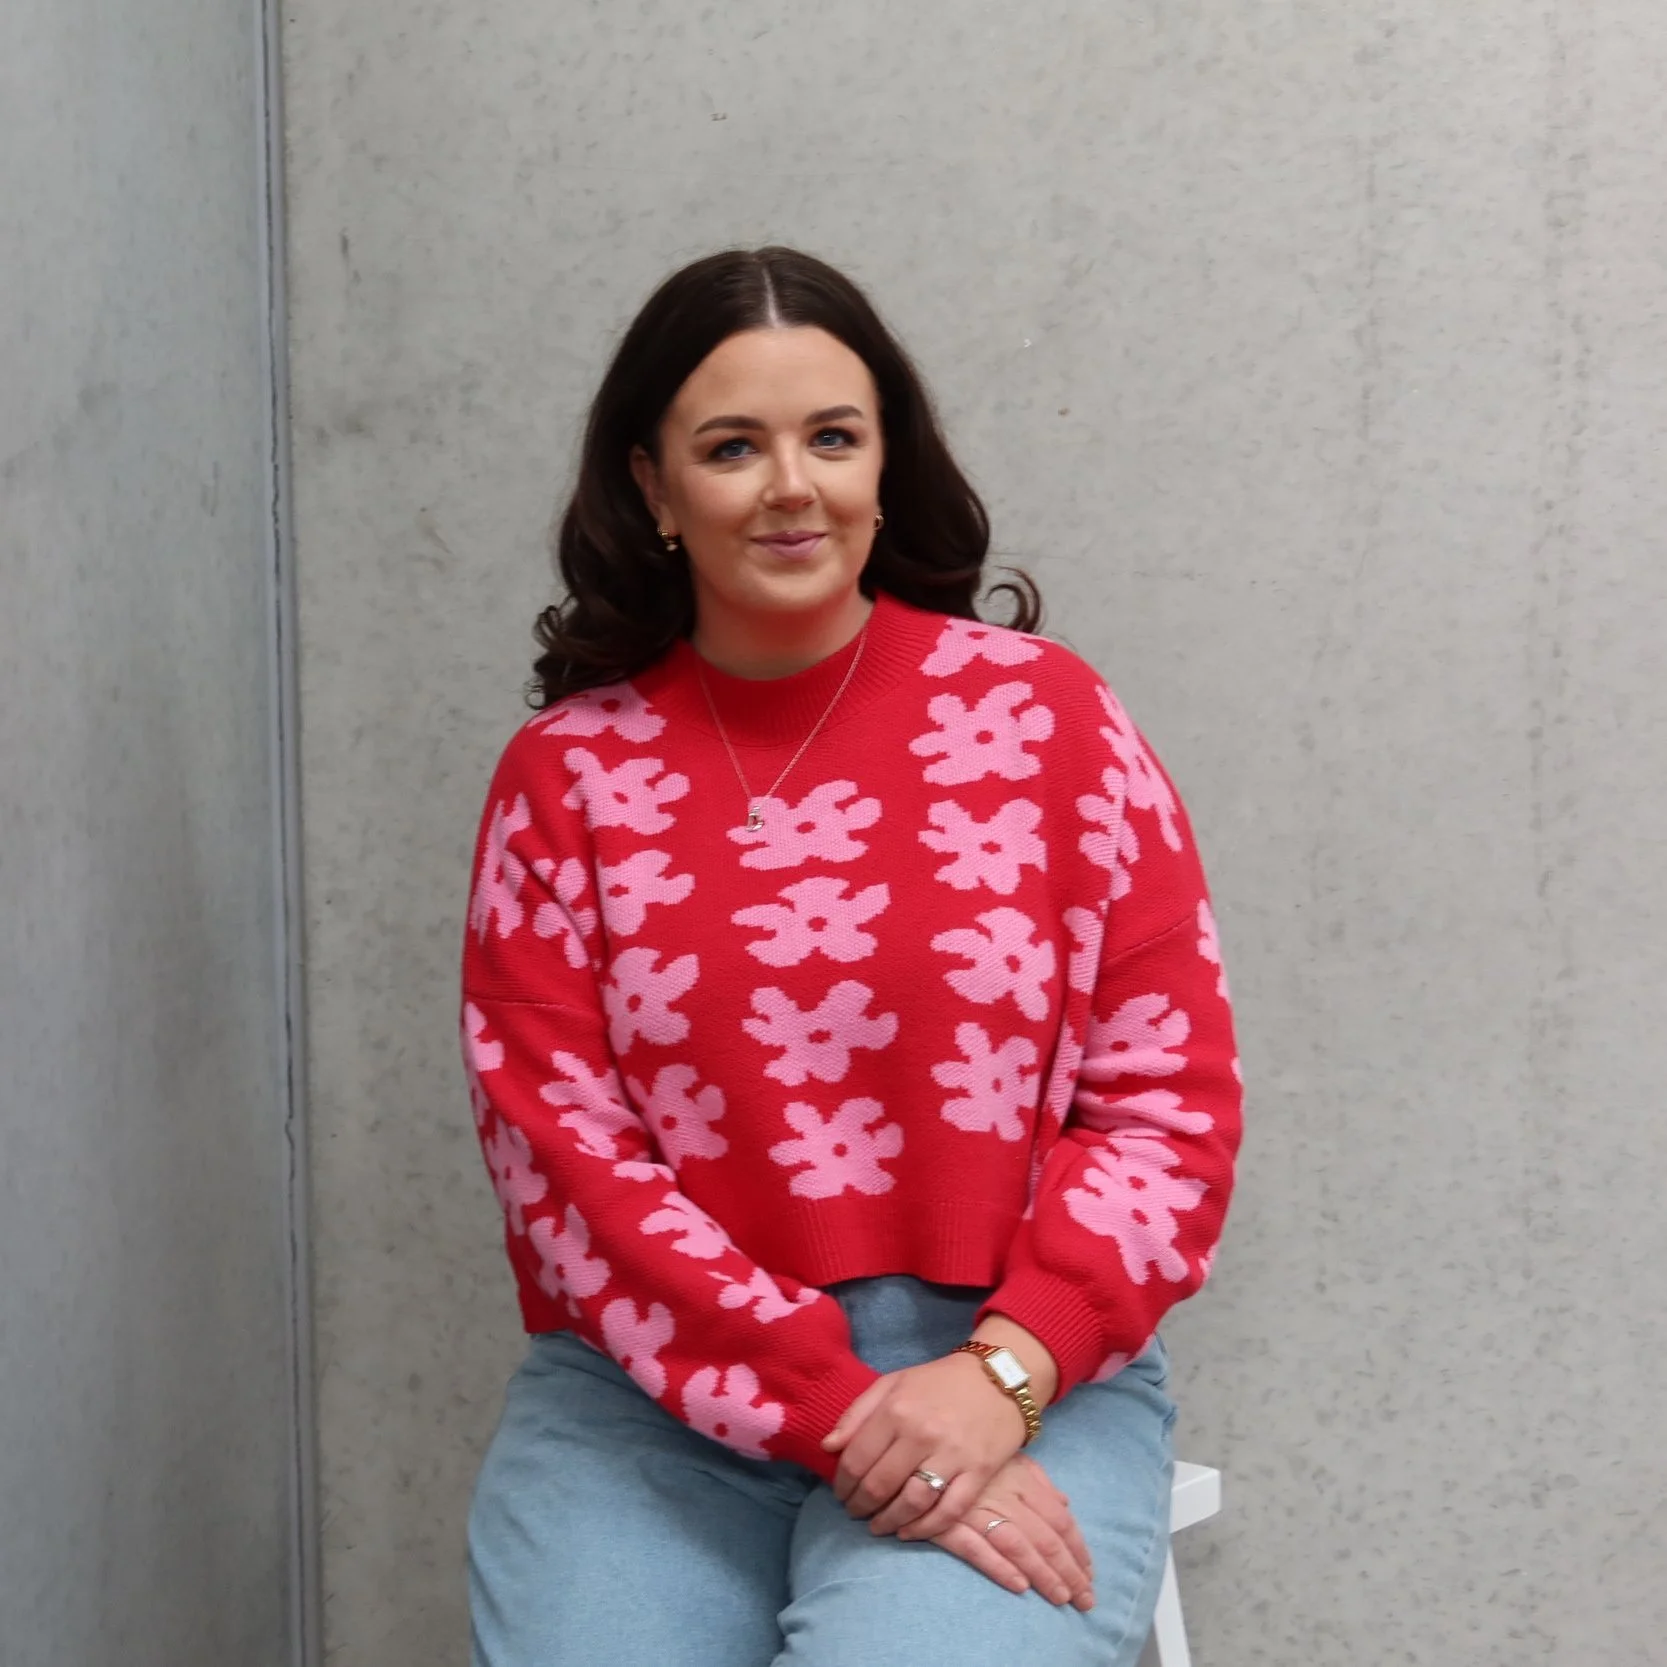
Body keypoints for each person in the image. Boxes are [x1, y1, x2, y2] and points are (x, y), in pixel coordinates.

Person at [460, 245, 1242, 1667]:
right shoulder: (565, 779)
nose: (790, 486)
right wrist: (839, 1412)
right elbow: (560, 1163)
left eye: (832, 437)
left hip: (1015, 1367)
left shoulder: (1049, 724)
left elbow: (1167, 1109)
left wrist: (996, 1382)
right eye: (730, 447)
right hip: (650, 1392)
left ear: (887, 463)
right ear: (651, 487)